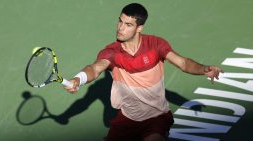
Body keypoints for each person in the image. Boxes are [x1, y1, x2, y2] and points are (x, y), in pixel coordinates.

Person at [64, 3, 223, 141]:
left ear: (139, 28)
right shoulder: (112, 52)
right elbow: (94, 68)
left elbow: (183, 63)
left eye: (128, 24)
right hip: (127, 119)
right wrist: (78, 79)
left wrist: (203, 69)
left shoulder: (155, 45)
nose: (120, 28)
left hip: (156, 117)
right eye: (120, 21)